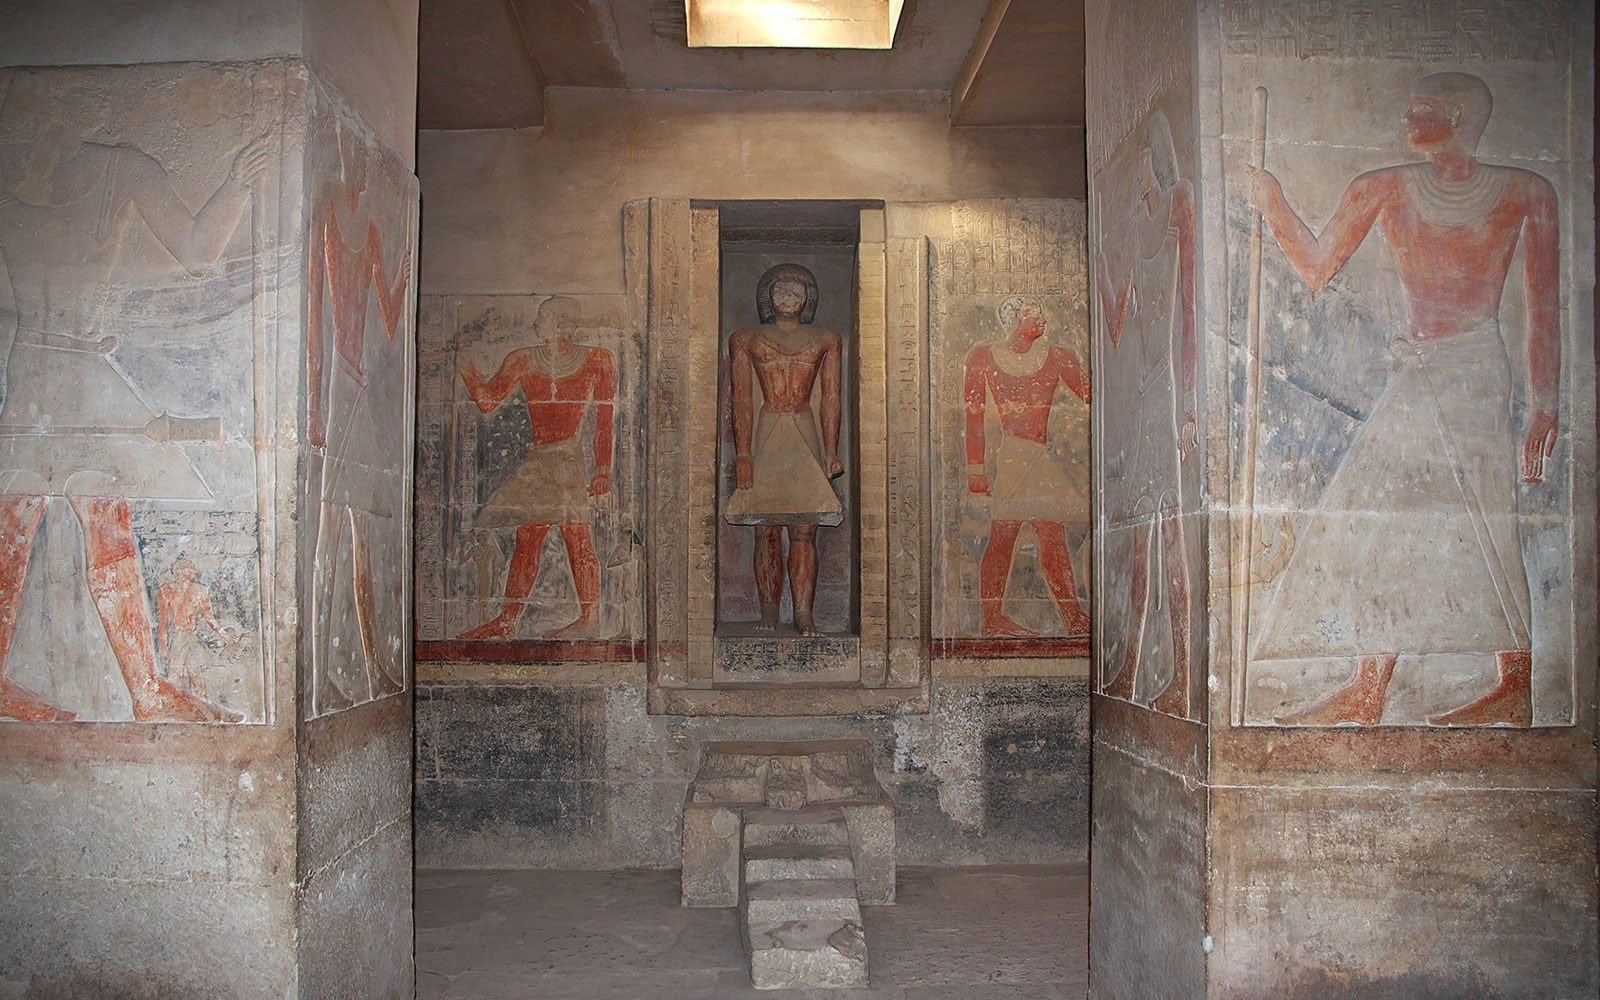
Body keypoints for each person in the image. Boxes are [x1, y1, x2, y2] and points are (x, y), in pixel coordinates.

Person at [1248, 72, 1558, 727]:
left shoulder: (1528, 193)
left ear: (1457, 117)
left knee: (1486, 519)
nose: (1407, 118)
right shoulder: (1382, 188)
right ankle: (1368, 687)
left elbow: (1543, 307)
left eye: (1423, 109)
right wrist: (1271, 202)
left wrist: (1546, 407)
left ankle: (1515, 683)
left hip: (1477, 369)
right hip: (1419, 375)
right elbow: (1316, 266)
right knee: (1378, 522)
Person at [0, 72, 266, 722]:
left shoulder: (122, 169)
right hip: (41, 373)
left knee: (102, 524)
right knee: (17, 524)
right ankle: (139, 690)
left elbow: (200, 253)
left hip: (73, 376)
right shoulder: (22, 176)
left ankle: (147, 691)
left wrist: (239, 182)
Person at [1093, 111, 1197, 716]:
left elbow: (1187, 311)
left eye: (1145, 173)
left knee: (1172, 532)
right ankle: (1132, 667)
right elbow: (1115, 323)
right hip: (1142, 393)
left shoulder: (1180, 210)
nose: (1143, 187)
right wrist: (1105, 265)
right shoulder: (1137, 235)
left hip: (1168, 387)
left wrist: (1188, 402)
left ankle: (1183, 676)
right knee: (1140, 536)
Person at [306, 120, 411, 710]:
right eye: (355, 157)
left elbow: (391, 319)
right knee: (329, 534)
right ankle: (318, 671)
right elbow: (316, 317)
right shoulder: (324, 214)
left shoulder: (369, 229)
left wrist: (399, 272)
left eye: (367, 161)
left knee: (366, 530)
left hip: (360, 385)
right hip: (338, 386)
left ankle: (374, 666)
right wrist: (316, 406)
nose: (361, 168)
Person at [456, 297, 615, 639]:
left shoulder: (599, 361)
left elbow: (605, 422)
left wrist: (603, 471)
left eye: (542, 318)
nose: (535, 325)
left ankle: (590, 619)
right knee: (526, 539)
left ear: (562, 323)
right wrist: (465, 365)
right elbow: (486, 402)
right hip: (540, 459)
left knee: (578, 538)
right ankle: (508, 620)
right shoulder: (523, 359)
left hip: (569, 458)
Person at [724, 264, 844, 635]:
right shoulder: (746, 338)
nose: (789, 298)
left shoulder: (826, 338)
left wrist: (829, 451)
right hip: (765, 427)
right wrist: (743, 454)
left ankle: (804, 613)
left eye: (796, 291)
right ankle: (769, 612)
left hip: (805, 427)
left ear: (808, 298)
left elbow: (830, 399)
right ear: (767, 297)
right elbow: (741, 399)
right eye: (781, 291)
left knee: (805, 530)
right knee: (765, 529)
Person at [963, 295, 1092, 638]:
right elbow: (973, 415)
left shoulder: (1059, 356)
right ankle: (992, 618)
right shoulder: (984, 357)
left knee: (1051, 533)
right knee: (1005, 534)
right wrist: (975, 471)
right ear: (1017, 319)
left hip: (1040, 456)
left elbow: (1092, 395)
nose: (1043, 320)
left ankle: (1071, 616)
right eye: (1034, 314)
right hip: (1013, 456)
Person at [156, 559, 231, 698]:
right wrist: (163, 648)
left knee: (196, 675)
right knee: (175, 676)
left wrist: (224, 634)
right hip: (177, 637)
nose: (193, 571)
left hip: (191, 636)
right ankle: (175, 708)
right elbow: (163, 622)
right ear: (179, 571)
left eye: (193, 568)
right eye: (189, 568)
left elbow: (209, 618)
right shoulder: (167, 591)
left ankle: (202, 708)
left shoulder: (201, 591)